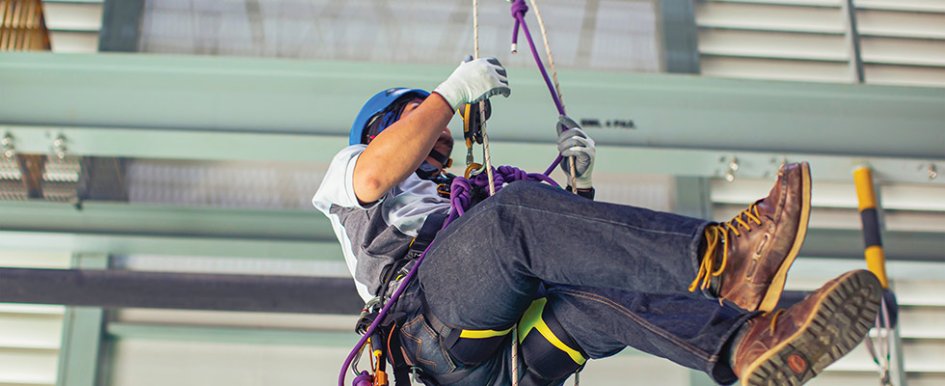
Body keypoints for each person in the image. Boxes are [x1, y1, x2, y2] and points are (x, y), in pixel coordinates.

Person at [313, 57, 883, 386]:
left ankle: (746, 343)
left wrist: (580, 186)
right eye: (421, 118)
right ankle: (726, 260)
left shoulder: (467, 195)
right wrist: (451, 91)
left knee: (602, 290)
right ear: (380, 127)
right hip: (429, 333)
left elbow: (565, 251)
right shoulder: (350, 172)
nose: (441, 131)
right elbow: (374, 178)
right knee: (511, 218)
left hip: (503, 363)